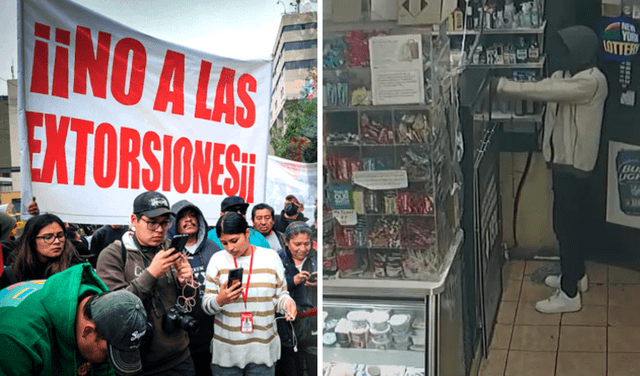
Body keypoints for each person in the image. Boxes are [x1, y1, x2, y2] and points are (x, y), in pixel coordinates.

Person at [495, 25, 608, 313]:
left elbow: (546, 91)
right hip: (562, 165)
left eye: (568, 50)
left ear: (581, 52)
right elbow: (553, 89)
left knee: (568, 229)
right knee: (566, 226)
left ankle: (569, 295)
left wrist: (502, 85)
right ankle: (576, 276)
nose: (563, 56)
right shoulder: (569, 77)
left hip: (575, 169)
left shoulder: (591, 82)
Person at [97, 191, 196, 375]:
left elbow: (190, 299)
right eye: (152, 223)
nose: (159, 229)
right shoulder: (113, 254)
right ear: (134, 220)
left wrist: (187, 281)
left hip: (180, 356)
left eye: (164, 223)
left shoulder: (170, 247)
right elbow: (115, 312)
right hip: (139, 362)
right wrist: (151, 273)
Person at [0, 263, 148, 376]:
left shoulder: (103, 314)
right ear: (87, 331)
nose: (110, 360)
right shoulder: (16, 341)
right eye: (108, 355)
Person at [202, 212, 297, 376]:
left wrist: (288, 303)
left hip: (263, 349)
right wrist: (220, 300)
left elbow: (280, 296)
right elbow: (206, 306)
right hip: (227, 352)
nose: (230, 248)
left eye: (234, 241)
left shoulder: (271, 258)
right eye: (224, 242)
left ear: (247, 233)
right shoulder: (217, 260)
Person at [167, 200, 221, 376]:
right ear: (174, 224)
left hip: (211, 327)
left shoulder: (213, 248)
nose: (189, 220)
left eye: (192, 215)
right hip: (180, 331)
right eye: (182, 217)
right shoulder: (168, 251)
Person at [275, 222, 317, 376]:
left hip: (312, 319)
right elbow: (273, 286)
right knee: (291, 366)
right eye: (297, 244)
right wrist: (293, 281)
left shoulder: (317, 257)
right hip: (287, 323)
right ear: (286, 242)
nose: (303, 248)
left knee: (313, 364)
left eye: (307, 244)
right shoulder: (278, 259)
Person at [0, 213, 82, 289]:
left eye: (60, 235)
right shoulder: (12, 274)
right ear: (32, 240)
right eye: (48, 237)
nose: (57, 241)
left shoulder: (75, 270)